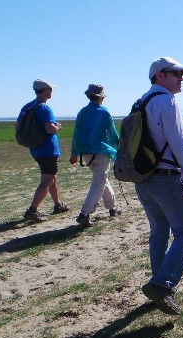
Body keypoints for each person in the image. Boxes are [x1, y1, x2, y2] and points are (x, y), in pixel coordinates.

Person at [136, 57, 183, 315]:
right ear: (159, 76)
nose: (181, 78)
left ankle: (158, 287)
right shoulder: (167, 101)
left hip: (143, 180)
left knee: (159, 233)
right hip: (167, 178)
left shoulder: (140, 101)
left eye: (181, 73)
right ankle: (161, 284)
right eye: (175, 73)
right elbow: (180, 142)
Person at [69, 84, 121, 227]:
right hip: (100, 152)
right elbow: (112, 133)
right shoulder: (103, 112)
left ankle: (112, 208)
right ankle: (84, 213)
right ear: (100, 96)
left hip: (85, 153)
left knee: (101, 179)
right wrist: (120, 149)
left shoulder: (82, 112)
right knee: (99, 182)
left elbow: (76, 134)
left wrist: (74, 152)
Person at [18, 79, 70, 222]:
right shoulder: (45, 108)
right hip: (48, 150)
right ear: (46, 90)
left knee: (52, 177)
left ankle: (58, 205)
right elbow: (50, 128)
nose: (51, 92)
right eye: (50, 89)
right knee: (46, 181)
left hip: (35, 149)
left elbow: (18, 126)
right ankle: (32, 211)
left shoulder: (28, 107)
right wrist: (58, 127)